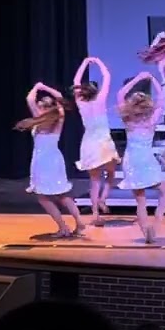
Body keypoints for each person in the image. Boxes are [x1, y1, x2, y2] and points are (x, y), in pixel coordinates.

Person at [14, 83, 83, 237]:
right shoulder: (59, 116)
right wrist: (47, 88)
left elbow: (29, 98)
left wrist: (38, 86)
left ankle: (63, 227)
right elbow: (59, 96)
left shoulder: (40, 118)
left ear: (42, 107)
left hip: (43, 160)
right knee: (63, 194)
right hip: (55, 159)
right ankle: (79, 222)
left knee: (43, 198)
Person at [115, 71, 165, 243]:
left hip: (131, 160)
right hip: (146, 159)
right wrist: (152, 79)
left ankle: (146, 232)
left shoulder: (128, 119)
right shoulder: (152, 120)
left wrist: (137, 78)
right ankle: (155, 224)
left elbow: (120, 94)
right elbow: (162, 99)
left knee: (140, 200)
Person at [72, 56, 120, 225]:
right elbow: (106, 76)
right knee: (112, 174)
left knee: (94, 181)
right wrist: (98, 62)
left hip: (89, 144)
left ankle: (95, 214)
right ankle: (102, 199)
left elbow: (76, 81)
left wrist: (85, 62)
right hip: (104, 143)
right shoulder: (100, 100)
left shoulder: (81, 103)